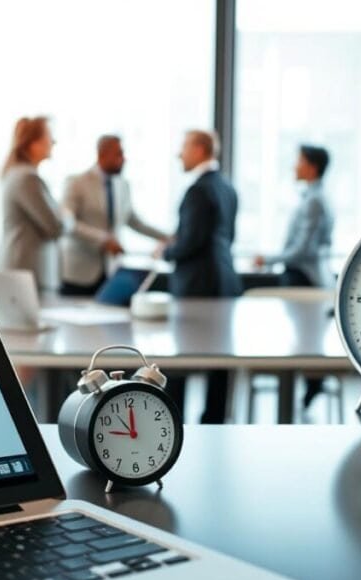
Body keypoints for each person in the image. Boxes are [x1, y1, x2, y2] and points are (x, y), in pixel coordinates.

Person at [157, 130, 241, 423]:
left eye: (184, 147)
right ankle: (214, 424)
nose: (179, 154)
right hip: (224, 282)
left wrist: (165, 252)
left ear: (201, 149)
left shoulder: (198, 190)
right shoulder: (227, 187)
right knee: (220, 360)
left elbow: (190, 243)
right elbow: (228, 236)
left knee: (180, 359)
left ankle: (172, 423)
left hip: (197, 286)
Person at [255, 144, 334, 408]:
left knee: (304, 343)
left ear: (311, 166)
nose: (294, 166)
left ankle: (308, 389)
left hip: (304, 278)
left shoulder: (313, 201)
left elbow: (303, 250)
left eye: (299, 161)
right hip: (311, 276)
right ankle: (310, 387)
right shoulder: (316, 197)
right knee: (307, 340)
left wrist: (268, 259)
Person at [60, 135, 170, 295]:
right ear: (102, 154)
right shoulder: (76, 182)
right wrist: (103, 240)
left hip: (111, 271)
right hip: (80, 271)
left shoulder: (123, 185)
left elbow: (134, 221)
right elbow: (68, 223)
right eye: (118, 154)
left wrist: (168, 237)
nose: (124, 159)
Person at [0, 117, 71, 288]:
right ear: (33, 144)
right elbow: (54, 227)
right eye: (48, 136)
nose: (53, 142)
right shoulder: (27, 178)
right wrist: (68, 217)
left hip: (18, 268)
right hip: (23, 271)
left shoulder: (16, 173)